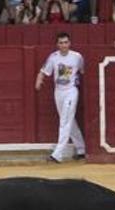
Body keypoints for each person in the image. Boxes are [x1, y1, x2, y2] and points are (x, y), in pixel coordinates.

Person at [35, 32, 86, 163]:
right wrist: (38, 81)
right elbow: (43, 71)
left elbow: (83, 71)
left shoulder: (77, 57)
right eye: (61, 43)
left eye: (66, 42)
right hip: (58, 92)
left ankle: (58, 154)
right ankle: (81, 150)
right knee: (70, 121)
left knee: (64, 121)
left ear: (70, 43)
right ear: (57, 44)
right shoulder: (54, 57)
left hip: (71, 91)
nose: (64, 45)